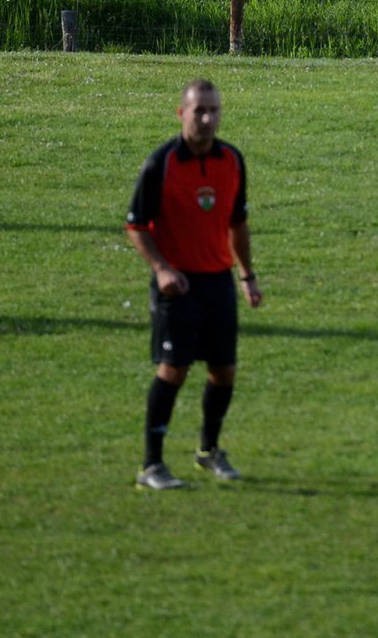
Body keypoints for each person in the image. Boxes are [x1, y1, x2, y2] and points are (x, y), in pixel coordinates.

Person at [124, 79, 263, 490]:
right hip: (177, 285)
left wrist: (247, 276)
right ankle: (152, 465)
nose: (207, 118)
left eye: (214, 110)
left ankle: (209, 451)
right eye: (199, 110)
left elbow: (237, 224)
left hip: (218, 281)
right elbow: (136, 226)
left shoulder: (232, 161)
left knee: (224, 371)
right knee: (173, 370)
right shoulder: (161, 163)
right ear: (180, 113)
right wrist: (162, 269)